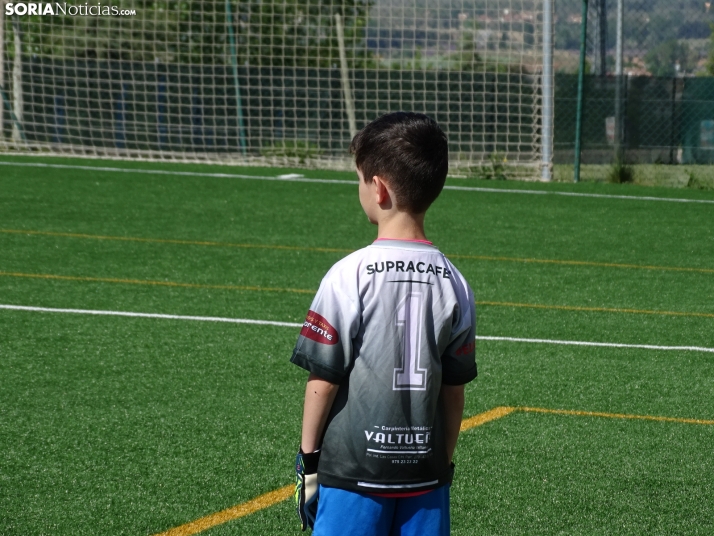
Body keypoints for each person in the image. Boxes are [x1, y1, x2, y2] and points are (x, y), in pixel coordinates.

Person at [292, 112, 477, 536]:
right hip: (424, 477)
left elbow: (324, 378)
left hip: (353, 472)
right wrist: (442, 463)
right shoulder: (454, 280)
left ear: (378, 188)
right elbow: (454, 391)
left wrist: (309, 458)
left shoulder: (348, 274)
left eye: (359, 180)